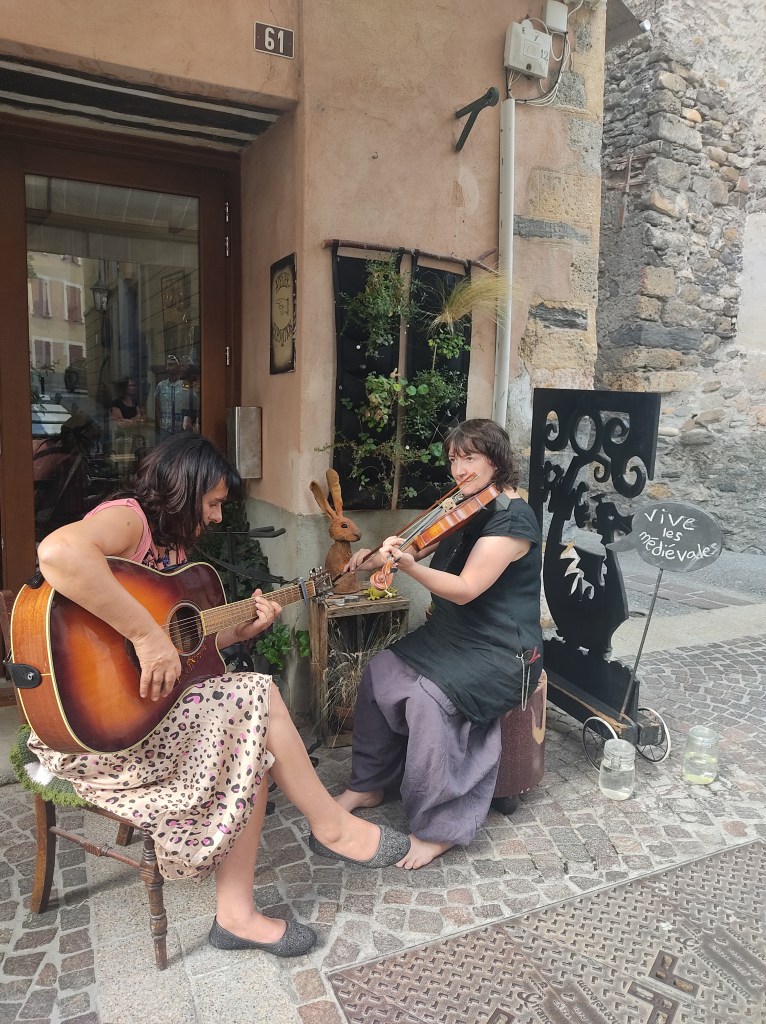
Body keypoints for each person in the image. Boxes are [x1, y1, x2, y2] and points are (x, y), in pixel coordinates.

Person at [31, 433, 410, 957]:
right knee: (253, 701)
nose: (215, 516)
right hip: (102, 737)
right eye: (212, 503)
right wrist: (145, 637)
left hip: (154, 719)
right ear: (182, 490)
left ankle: (239, 913)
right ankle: (328, 830)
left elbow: (191, 641)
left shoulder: (176, 550)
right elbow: (57, 552)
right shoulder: (130, 520)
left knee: (248, 734)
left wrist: (243, 628)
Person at [336, 419, 543, 869]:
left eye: (469, 458)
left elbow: (466, 588)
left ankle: (439, 828)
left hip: (499, 649)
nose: (459, 469)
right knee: (380, 671)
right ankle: (369, 783)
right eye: (453, 459)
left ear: (495, 460)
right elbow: (417, 546)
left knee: (430, 700)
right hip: (451, 635)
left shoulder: (512, 520)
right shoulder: (465, 504)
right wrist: (375, 558)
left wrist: (408, 568)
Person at [154, 355, 189, 437]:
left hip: (181, 429)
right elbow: (157, 406)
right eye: (166, 365)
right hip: (165, 429)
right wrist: (159, 423)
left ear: (178, 366)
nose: (167, 368)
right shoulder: (161, 386)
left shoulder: (185, 385)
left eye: (171, 365)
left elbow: (189, 406)